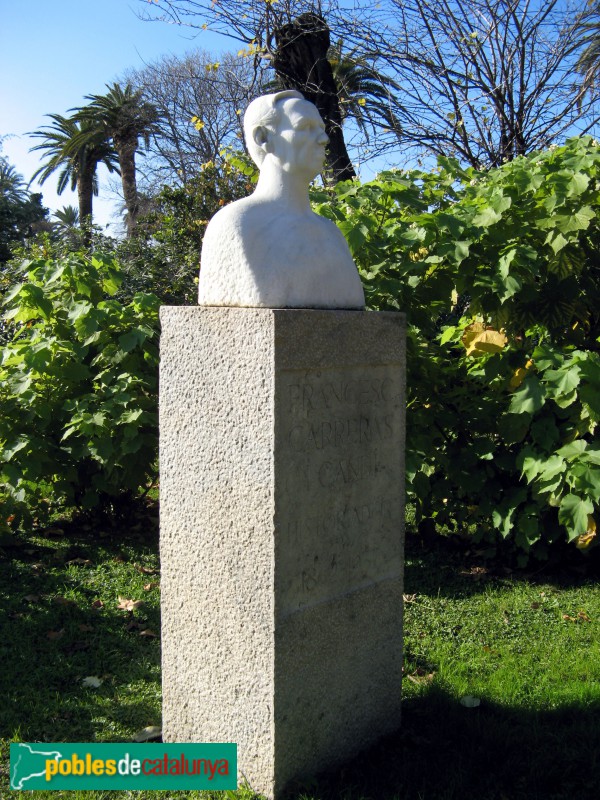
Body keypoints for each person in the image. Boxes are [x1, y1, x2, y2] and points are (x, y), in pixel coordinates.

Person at [197, 91, 365, 309]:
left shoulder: (332, 233)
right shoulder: (236, 225)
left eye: (322, 130)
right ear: (263, 138)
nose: (324, 139)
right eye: (305, 127)